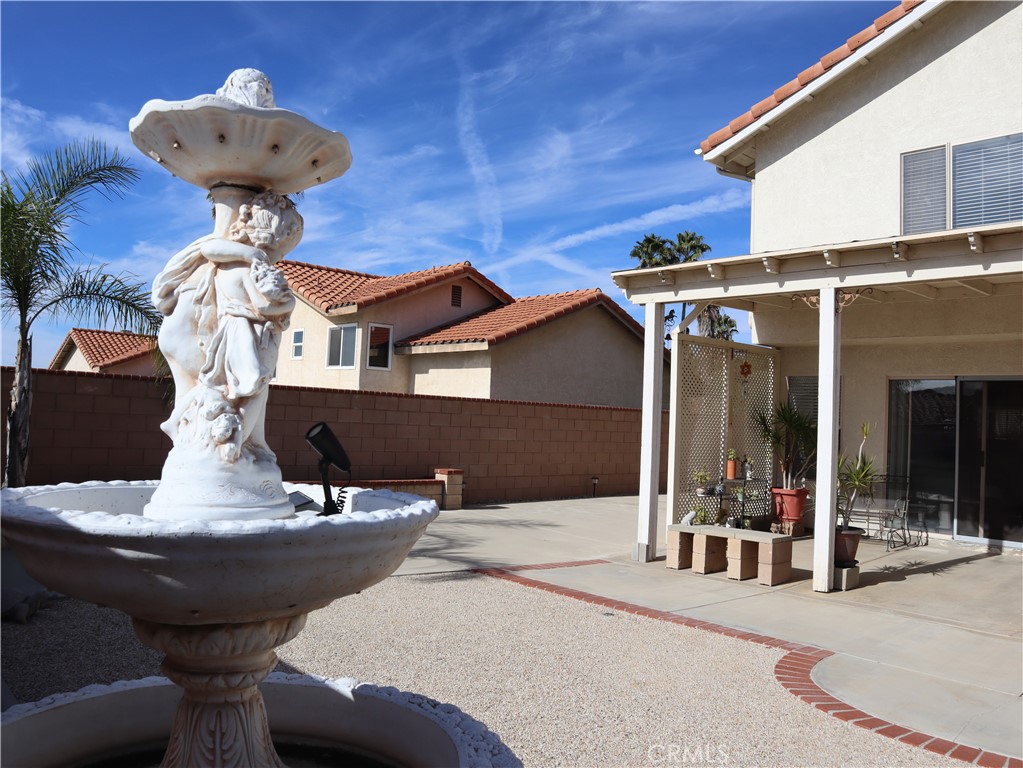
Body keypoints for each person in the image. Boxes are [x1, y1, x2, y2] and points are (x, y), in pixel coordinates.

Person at [153, 191, 301, 463]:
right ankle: (235, 437)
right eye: (277, 251)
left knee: (235, 387)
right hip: (242, 336)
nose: (275, 259)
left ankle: (224, 435)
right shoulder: (241, 264)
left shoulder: (230, 266)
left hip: (237, 333)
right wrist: (286, 305)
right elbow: (264, 306)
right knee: (252, 385)